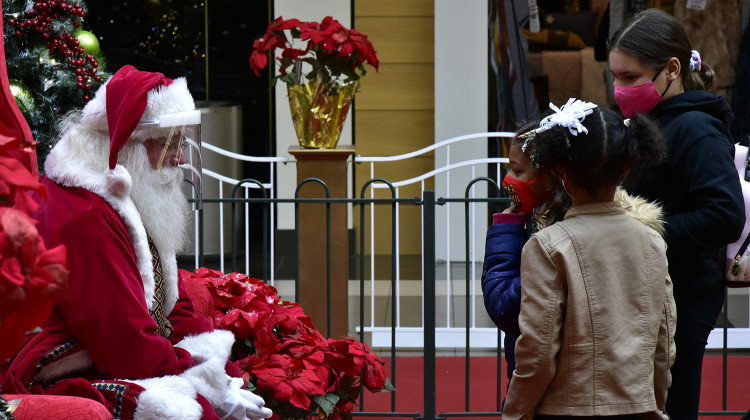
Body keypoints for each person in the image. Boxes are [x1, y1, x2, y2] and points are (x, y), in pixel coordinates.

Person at [1, 65, 273, 420]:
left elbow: (172, 306)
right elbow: (121, 341)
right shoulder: (85, 213)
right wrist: (208, 389)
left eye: (181, 142)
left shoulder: (127, 194)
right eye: (168, 143)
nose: (179, 157)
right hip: (62, 366)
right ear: (124, 145)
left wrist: (224, 378)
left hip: (115, 354)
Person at [608, 9, 746, 420]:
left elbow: (724, 215)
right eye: (614, 76)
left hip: (681, 299)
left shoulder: (696, 129)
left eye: (630, 77)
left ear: (672, 70)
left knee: (668, 407)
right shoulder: (649, 120)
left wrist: (637, 230)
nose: (619, 88)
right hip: (647, 292)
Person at [500, 98, 676, 420]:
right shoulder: (652, 241)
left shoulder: (548, 246)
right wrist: (655, 404)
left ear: (562, 171)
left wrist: (514, 414)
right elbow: (663, 344)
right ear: (625, 167)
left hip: (566, 409)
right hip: (638, 407)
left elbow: (537, 355)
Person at [482, 122, 569, 388]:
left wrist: (504, 231)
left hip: (541, 380)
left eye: (517, 170)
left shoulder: (551, 240)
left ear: (554, 175)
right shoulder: (533, 221)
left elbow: (504, 307)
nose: (508, 179)